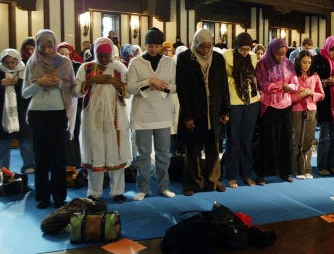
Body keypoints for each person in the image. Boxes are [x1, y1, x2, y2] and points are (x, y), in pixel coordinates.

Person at [22, 29, 77, 209]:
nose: (46, 50)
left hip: (58, 113)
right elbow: (24, 93)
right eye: (42, 46)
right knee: (41, 158)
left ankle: (59, 197)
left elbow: (72, 87)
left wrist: (59, 83)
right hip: (37, 114)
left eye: (49, 45)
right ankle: (43, 197)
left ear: (54, 45)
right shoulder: (32, 63)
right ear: (37, 45)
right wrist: (39, 83)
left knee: (59, 157)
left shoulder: (65, 62)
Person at [74, 37, 131, 203]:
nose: (105, 59)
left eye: (107, 55)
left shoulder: (119, 68)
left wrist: (115, 82)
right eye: (101, 56)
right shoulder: (86, 68)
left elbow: (128, 92)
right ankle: (94, 192)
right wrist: (91, 81)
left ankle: (117, 191)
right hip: (93, 118)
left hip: (116, 116)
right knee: (95, 151)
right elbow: (76, 92)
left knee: (116, 152)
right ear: (95, 53)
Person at [176, 29, 230, 195]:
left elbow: (223, 85)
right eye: (202, 47)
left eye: (208, 46)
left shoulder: (218, 58)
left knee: (214, 148)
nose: (205, 50)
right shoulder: (185, 58)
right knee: (193, 149)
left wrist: (225, 110)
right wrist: (188, 116)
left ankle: (213, 181)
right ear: (195, 44)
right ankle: (193, 184)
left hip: (213, 110)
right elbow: (182, 88)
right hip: (194, 110)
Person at [126, 27, 177, 201]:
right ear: (145, 44)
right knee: (143, 154)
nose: (153, 49)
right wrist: (149, 82)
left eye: (156, 45)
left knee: (163, 153)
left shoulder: (169, 62)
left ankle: (164, 187)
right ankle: (143, 188)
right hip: (142, 114)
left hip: (163, 113)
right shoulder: (136, 62)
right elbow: (130, 88)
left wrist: (163, 87)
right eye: (150, 45)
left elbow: (175, 86)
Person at [255, 38, 299, 184]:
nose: (281, 57)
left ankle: (285, 172)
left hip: (285, 105)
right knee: (267, 140)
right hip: (269, 106)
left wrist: (290, 88)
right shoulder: (262, 63)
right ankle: (262, 173)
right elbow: (261, 84)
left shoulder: (289, 64)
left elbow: (295, 84)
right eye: (278, 54)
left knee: (285, 140)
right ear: (272, 51)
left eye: (283, 54)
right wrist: (279, 86)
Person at [0, 49, 34, 173]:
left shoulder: (24, 71)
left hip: (21, 110)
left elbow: (30, 89)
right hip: (2, 112)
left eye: (13, 62)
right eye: (7, 63)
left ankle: (28, 165)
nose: (10, 65)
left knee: (25, 140)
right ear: (2, 61)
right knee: (3, 141)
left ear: (18, 61)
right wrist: (1, 83)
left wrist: (18, 82)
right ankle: (3, 168)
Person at [223, 32, 260, 188]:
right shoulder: (227, 56)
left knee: (247, 140)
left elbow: (254, 77)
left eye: (247, 49)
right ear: (236, 46)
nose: (245, 52)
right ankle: (231, 175)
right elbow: (223, 81)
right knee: (233, 140)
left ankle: (246, 174)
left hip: (251, 101)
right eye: (242, 49)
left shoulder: (252, 57)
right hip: (234, 101)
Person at [311, 36, 334, 176]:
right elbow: (313, 78)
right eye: (332, 50)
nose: (333, 53)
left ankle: (332, 163)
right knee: (324, 134)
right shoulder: (318, 59)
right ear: (327, 47)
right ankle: (322, 165)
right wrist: (325, 81)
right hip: (324, 100)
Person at [291, 50, 324, 179]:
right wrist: (301, 95)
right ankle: (296, 170)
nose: (307, 65)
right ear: (299, 62)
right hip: (297, 110)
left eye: (309, 63)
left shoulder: (315, 75)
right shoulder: (293, 76)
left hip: (311, 110)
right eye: (304, 62)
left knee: (309, 141)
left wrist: (311, 93)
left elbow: (321, 94)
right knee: (297, 141)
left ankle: (307, 169)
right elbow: (289, 97)